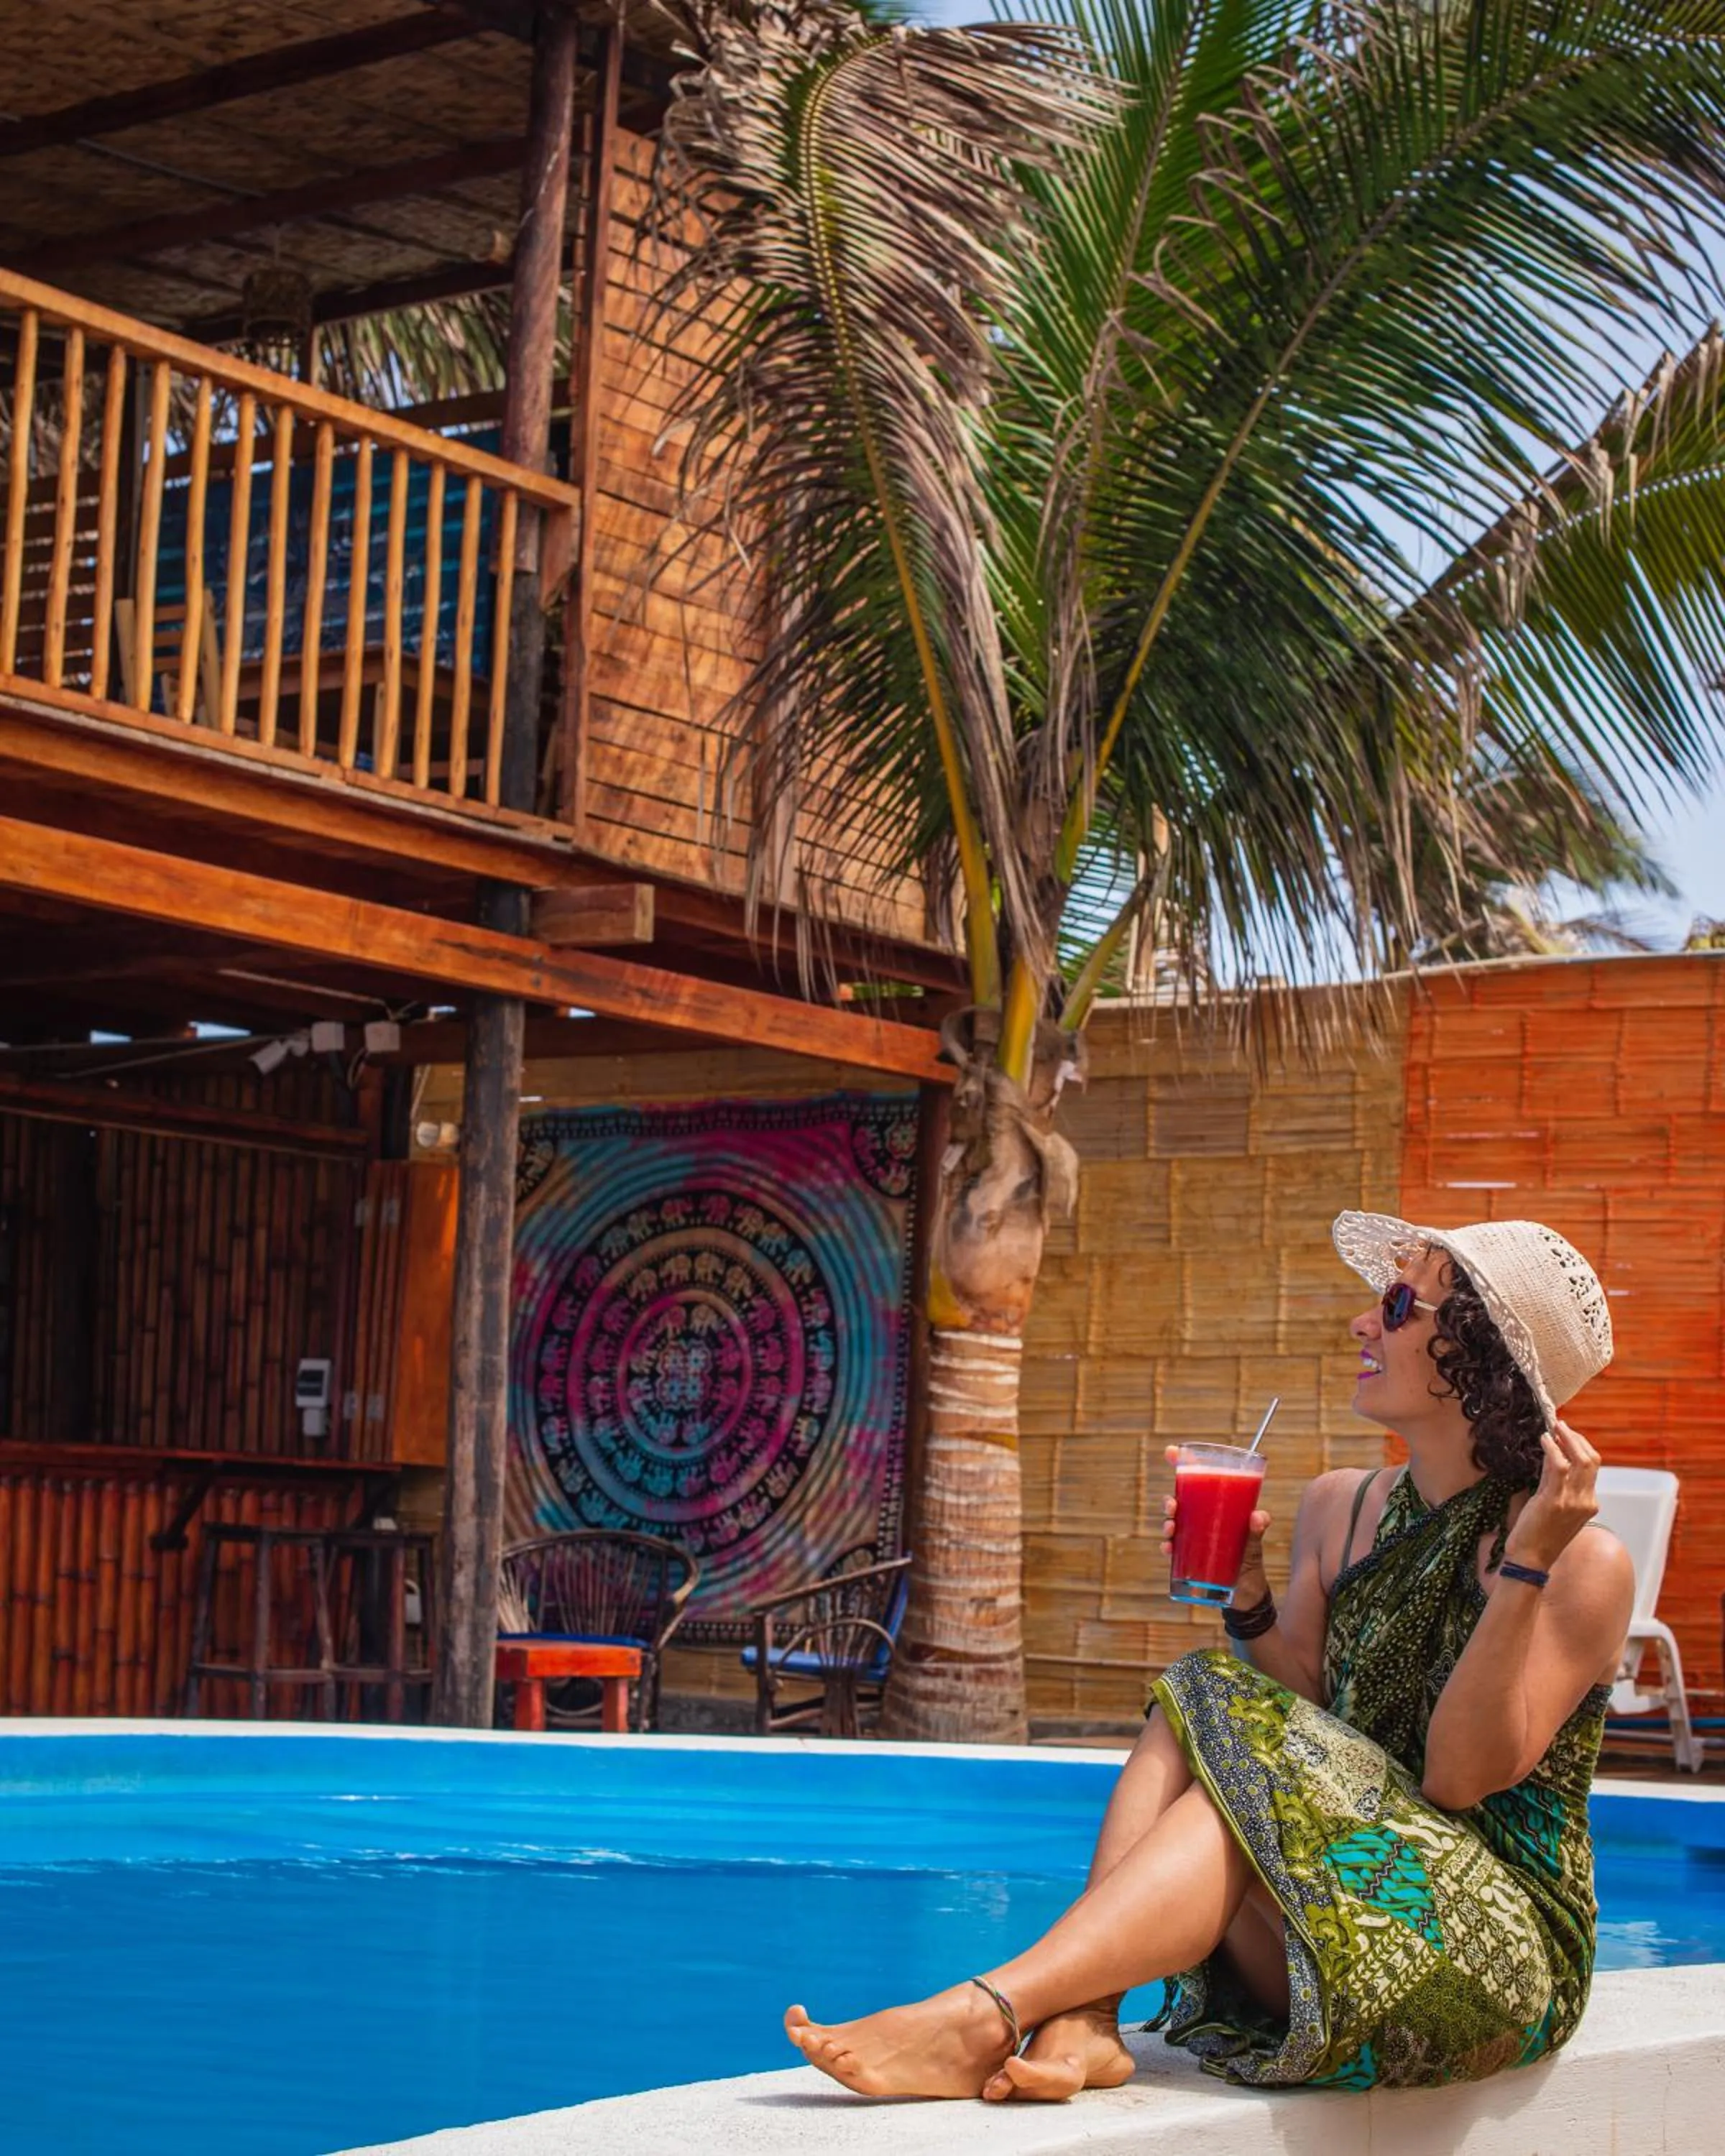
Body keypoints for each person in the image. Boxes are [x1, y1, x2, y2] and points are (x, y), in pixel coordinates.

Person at [785, 1210, 1634, 2101]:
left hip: (1491, 1948)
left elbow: (1459, 1781)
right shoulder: (1339, 1507)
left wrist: (1526, 1562)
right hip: (1337, 1903)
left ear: (1481, 1360)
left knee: (1229, 1721)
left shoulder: (1581, 1562)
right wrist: (1249, 1597)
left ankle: (990, 2011)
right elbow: (1306, 1712)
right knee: (1204, 1684)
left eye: (1395, 1305)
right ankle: (1085, 2017)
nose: (1360, 1324)